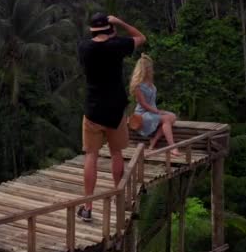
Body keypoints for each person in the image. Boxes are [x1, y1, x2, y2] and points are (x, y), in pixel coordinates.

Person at [77, 13, 146, 222]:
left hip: (93, 110)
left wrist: (108, 31)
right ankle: (118, 196)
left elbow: (95, 40)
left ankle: (88, 206)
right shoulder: (117, 46)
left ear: (92, 30)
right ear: (110, 29)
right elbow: (141, 38)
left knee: (91, 155)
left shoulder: (84, 47)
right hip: (115, 110)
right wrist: (120, 23)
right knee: (116, 153)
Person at [130, 54, 181, 157]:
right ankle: (172, 147)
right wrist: (158, 112)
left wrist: (158, 111)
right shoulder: (138, 86)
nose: (152, 70)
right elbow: (143, 104)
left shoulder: (150, 82)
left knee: (172, 116)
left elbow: (152, 103)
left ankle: (154, 139)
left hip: (151, 111)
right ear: (145, 69)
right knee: (166, 119)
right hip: (142, 115)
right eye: (150, 68)